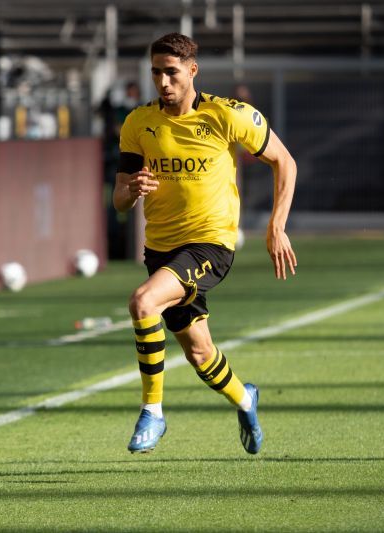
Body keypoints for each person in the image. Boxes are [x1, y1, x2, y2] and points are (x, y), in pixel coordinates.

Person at [113, 32, 297, 454]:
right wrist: (132, 189)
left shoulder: (228, 115)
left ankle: (152, 412)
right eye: (156, 72)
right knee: (200, 355)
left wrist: (276, 225)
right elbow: (119, 199)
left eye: (171, 72)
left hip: (210, 245)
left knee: (143, 303)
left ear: (192, 70)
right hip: (161, 249)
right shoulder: (138, 122)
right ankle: (246, 399)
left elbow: (284, 161)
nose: (163, 82)